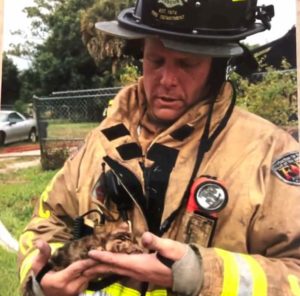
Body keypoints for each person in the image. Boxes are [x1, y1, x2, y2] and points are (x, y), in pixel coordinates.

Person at [18, 0, 300, 295]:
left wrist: (200, 273)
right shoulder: (101, 141)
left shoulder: (269, 154)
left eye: (186, 64)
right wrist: (42, 279)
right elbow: (46, 222)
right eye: (155, 61)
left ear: (217, 66)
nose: (166, 80)